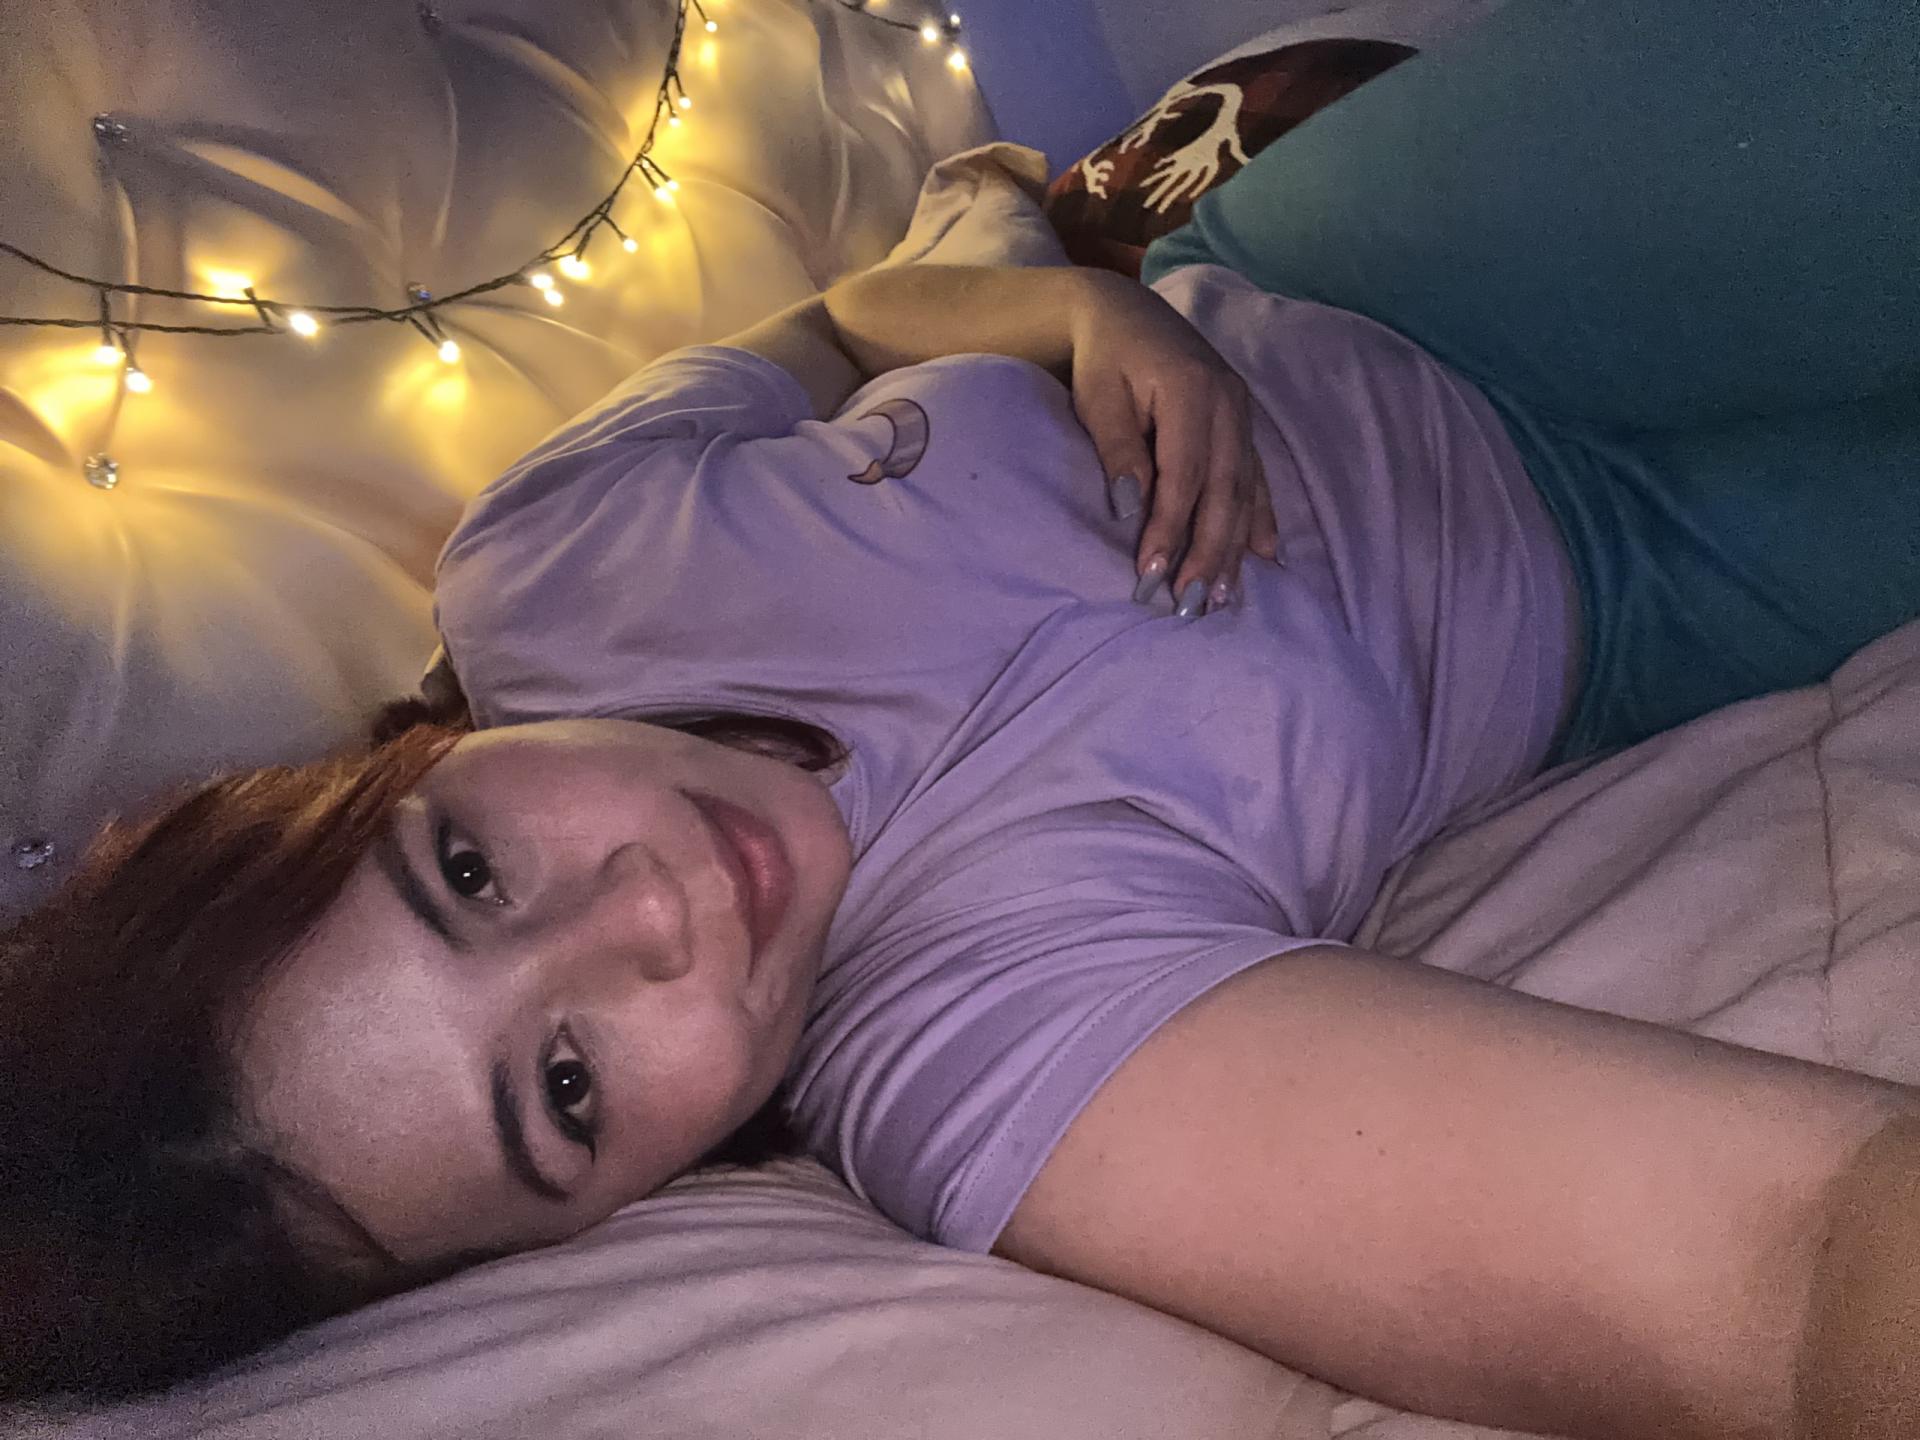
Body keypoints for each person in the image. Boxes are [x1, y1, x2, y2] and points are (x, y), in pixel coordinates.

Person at [3, 0, 1917, 1433]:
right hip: (1643, 593)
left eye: (470, 871)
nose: (644, 913)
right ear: (618, 1210)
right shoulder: (970, 1054)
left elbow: (840, 324)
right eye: (566, 1089)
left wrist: (1073, 317)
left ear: (401, 770)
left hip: (1380, 281)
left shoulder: (547, 565)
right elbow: (1791, 1268)